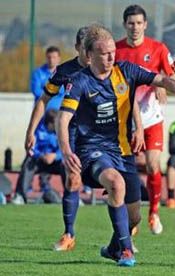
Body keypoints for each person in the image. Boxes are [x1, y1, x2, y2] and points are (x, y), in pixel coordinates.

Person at [56, 23, 175, 267]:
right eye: (104, 53)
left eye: (113, 51)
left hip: (123, 152)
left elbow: (159, 79)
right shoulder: (79, 81)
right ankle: (126, 251)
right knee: (116, 183)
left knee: (134, 217)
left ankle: (113, 248)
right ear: (90, 55)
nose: (111, 56)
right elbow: (63, 119)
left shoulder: (125, 71)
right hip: (92, 151)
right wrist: (65, 150)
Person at [25, 26, 90, 252]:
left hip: (102, 134)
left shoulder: (108, 68)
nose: (91, 53)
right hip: (72, 132)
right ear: (78, 48)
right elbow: (42, 99)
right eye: (86, 48)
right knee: (73, 178)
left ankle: (124, 236)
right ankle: (69, 233)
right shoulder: (65, 71)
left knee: (118, 184)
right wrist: (31, 130)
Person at [116, 4, 175, 234]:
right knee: (125, 172)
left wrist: (163, 87)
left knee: (153, 164)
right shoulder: (117, 50)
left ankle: (154, 212)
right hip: (125, 121)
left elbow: (170, 76)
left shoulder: (158, 48)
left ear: (145, 25)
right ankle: (131, 218)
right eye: (131, 23)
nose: (135, 27)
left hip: (151, 118)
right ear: (125, 25)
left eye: (139, 23)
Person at [12, 109, 66, 204]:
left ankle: (72, 196)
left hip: (55, 162)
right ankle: (20, 196)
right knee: (28, 162)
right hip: (39, 161)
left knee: (67, 164)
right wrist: (41, 156)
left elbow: (66, 149)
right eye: (56, 123)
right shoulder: (37, 130)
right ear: (50, 123)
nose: (59, 125)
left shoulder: (62, 130)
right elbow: (31, 149)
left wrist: (55, 156)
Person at [31, 46, 63, 191]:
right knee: (39, 143)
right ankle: (33, 186)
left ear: (59, 58)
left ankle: (79, 187)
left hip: (59, 117)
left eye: (54, 57)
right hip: (43, 117)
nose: (51, 60)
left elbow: (65, 92)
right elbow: (38, 93)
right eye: (49, 57)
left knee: (64, 144)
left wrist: (49, 91)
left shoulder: (63, 73)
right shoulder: (38, 73)